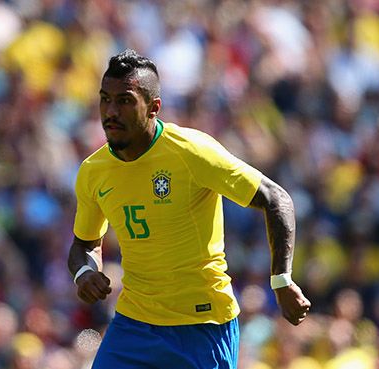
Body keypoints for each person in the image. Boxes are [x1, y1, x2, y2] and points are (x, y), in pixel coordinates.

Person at [67, 49, 311, 368]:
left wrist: (281, 279)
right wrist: (85, 272)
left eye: (124, 101)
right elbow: (84, 244)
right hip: (134, 325)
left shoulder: (191, 152)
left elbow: (275, 198)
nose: (110, 111)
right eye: (105, 99)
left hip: (203, 326)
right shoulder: (93, 171)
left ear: (154, 107)